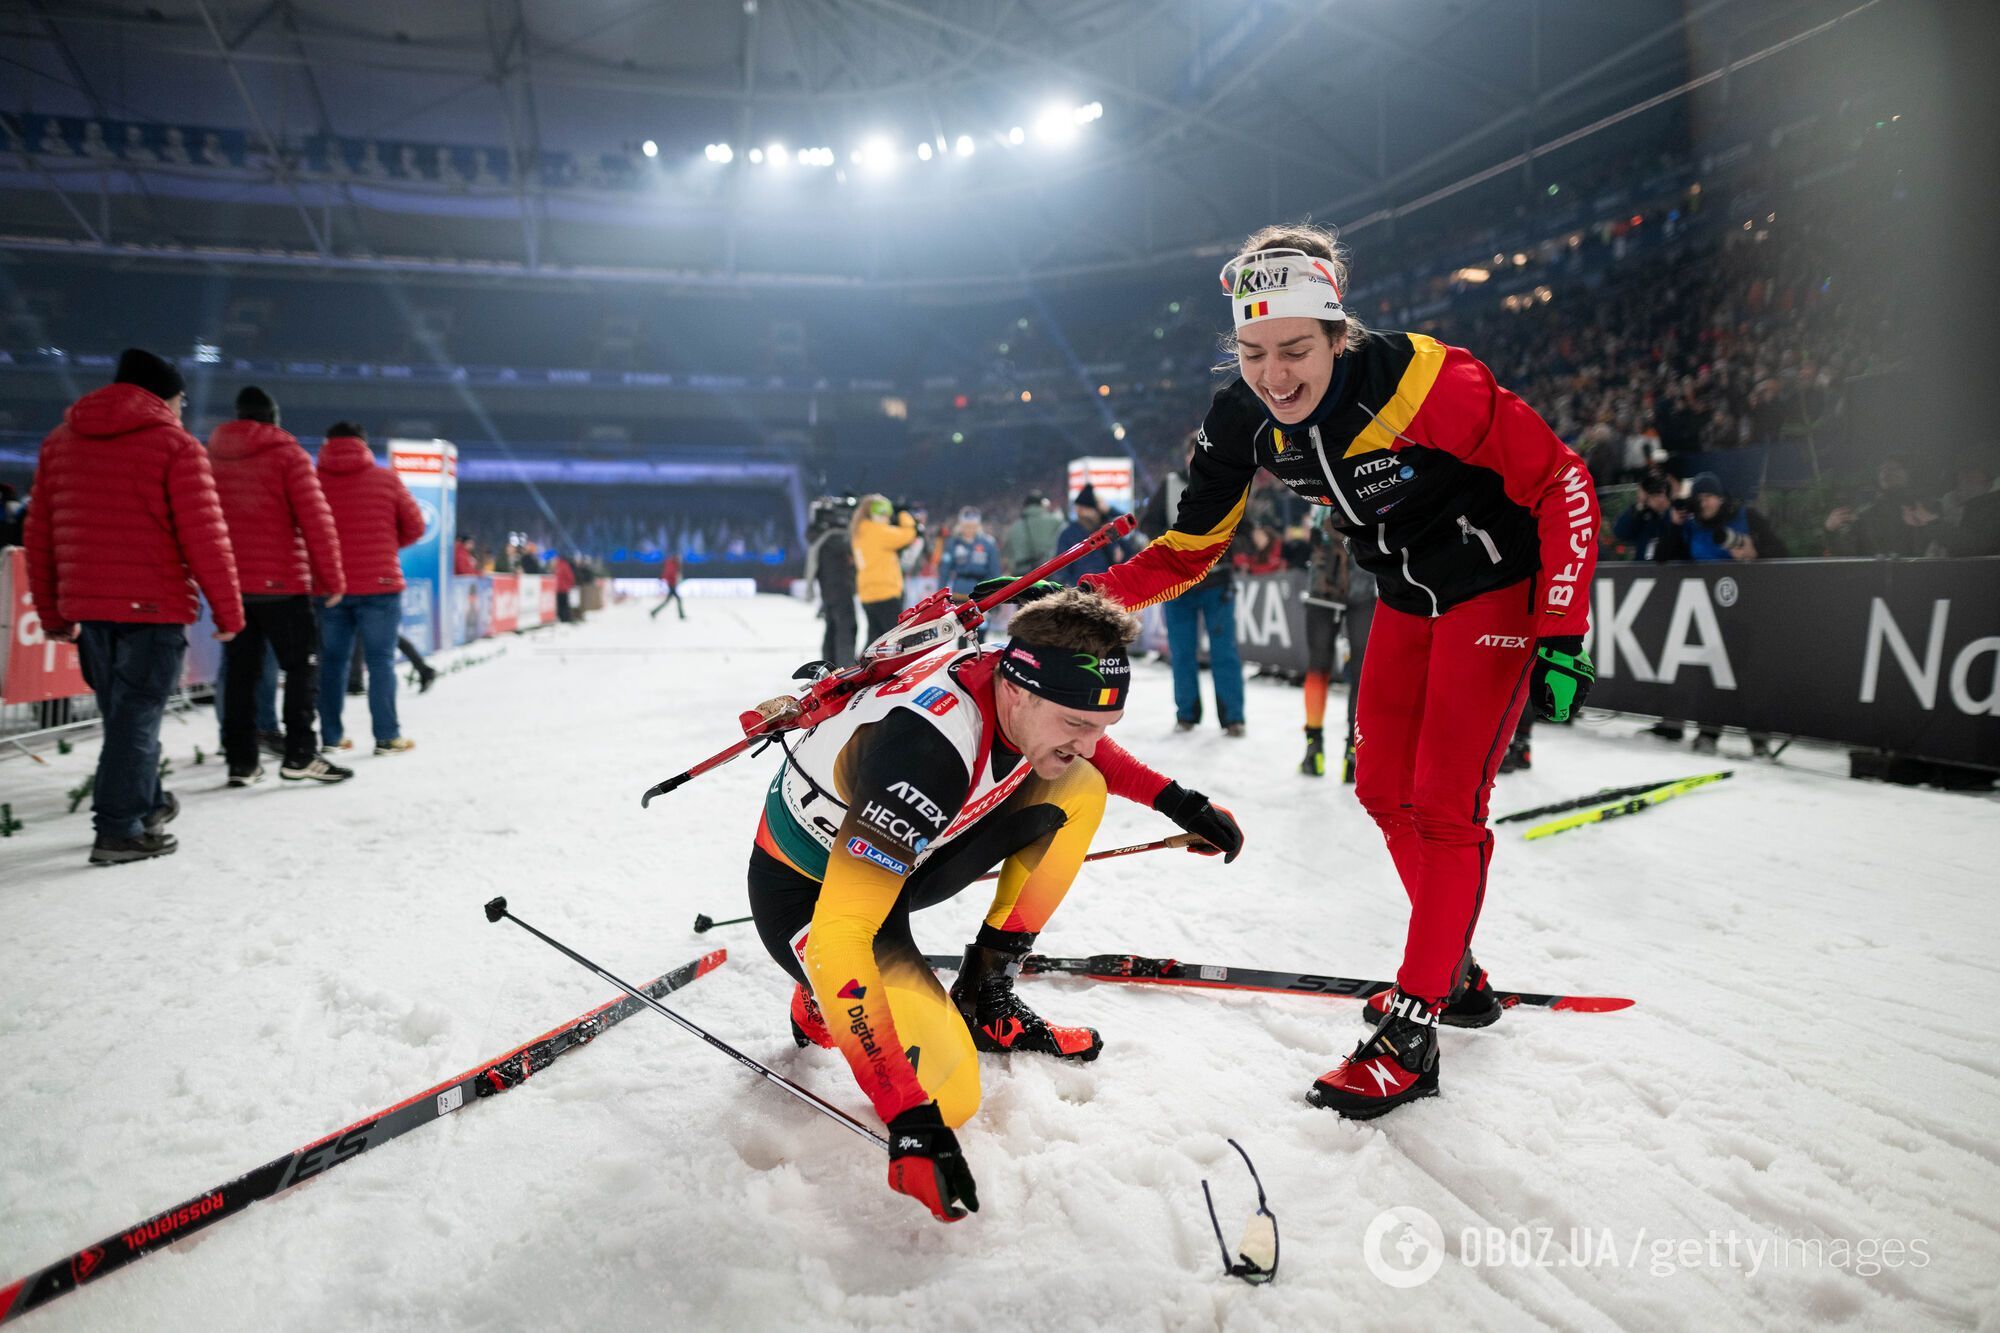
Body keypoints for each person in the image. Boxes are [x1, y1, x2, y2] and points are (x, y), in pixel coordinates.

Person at [1080, 222, 1601, 1119]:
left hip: (1497, 590)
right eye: (1252, 354)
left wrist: (1562, 625)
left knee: (1444, 805)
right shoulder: (1241, 416)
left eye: (1294, 350)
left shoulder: (1419, 380)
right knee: (1380, 791)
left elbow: (1562, 480)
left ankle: (1413, 1027)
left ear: (1336, 332)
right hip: (1406, 598)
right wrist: (1085, 594)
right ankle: (1456, 974)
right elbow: (1190, 549)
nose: (1275, 377)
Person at [744, 586, 1243, 1222]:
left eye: (1100, 726)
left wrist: (1180, 803)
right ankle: (824, 995)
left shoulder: (1013, 685)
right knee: (948, 1097)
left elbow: (1083, 741)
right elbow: (844, 932)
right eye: (1076, 724)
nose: (1089, 742)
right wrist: (908, 1118)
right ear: (1015, 689)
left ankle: (986, 996)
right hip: (815, 896)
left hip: (909, 861)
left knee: (1079, 784)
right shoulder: (924, 753)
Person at [25, 348, 246, 865]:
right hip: (153, 607)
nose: (182, 409)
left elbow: (41, 536)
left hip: (91, 608)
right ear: (164, 396)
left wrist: (52, 612)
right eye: (181, 399)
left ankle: (145, 804)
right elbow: (205, 538)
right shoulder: (175, 445)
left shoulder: (59, 443)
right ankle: (118, 829)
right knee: (137, 722)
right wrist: (229, 613)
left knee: (123, 718)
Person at [207, 385, 351, 786]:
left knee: (240, 674)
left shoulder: (209, 456)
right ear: (274, 419)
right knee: (302, 668)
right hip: (284, 585)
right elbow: (316, 521)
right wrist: (332, 579)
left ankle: (242, 762)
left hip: (234, 587)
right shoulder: (288, 455)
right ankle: (300, 754)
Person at [316, 423, 424, 756]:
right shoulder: (386, 479)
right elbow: (416, 526)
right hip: (380, 584)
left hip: (330, 586)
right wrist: (388, 546)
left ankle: (331, 737)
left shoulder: (313, 480)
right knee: (380, 663)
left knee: (331, 663)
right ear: (363, 444)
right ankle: (387, 737)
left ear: (327, 443)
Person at [1136, 442, 1246, 735]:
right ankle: (1186, 714)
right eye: (1192, 452)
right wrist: (1171, 546)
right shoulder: (1170, 485)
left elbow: (1243, 524)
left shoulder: (1228, 480)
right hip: (1178, 585)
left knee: (1224, 653)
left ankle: (1233, 718)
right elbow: (1148, 525)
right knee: (1182, 652)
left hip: (1217, 582)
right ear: (1186, 456)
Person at [1299, 507, 1374, 780]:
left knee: (1319, 665)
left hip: (1325, 575)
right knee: (1359, 670)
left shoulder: (1318, 473)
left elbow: (1312, 529)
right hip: (1363, 574)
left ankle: (1313, 749)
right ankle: (1353, 754)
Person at [852, 493, 919, 646]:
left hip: (868, 594)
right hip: (884, 592)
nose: (888, 519)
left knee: (875, 641)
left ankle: (863, 669)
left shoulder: (860, 530)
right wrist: (904, 515)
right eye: (885, 515)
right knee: (897, 639)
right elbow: (907, 535)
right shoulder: (876, 531)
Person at [803, 498, 857, 664]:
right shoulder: (835, 539)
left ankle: (830, 665)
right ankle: (845, 669)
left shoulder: (820, 537)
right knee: (846, 627)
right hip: (840, 588)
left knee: (832, 627)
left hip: (829, 590)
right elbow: (853, 548)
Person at [1050, 487, 1132, 587]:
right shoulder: (1068, 534)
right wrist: (1075, 592)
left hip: (1107, 592)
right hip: (1081, 595)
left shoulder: (1106, 531)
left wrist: (1109, 511)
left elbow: (1129, 526)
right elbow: (1061, 572)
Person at [1611, 472, 1691, 562]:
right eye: (1651, 492)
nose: (1655, 496)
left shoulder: (1676, 513)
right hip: (1642, 572)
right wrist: (1639, 506)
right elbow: (1620, 533)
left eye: (1659, 492)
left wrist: (1668, 512)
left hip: (1669, 572)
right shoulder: (1643, 516)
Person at [937, 508, 1002, 599]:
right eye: (966, 526)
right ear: (960, 525)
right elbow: (944, 571)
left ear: (978, 526)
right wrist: (940, 596)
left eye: (973, 526)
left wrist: (996, 596)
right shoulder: (953, 543)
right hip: (958, 594)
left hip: (981, 594)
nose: (969, 529)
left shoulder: (988, 544)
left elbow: (994, 571)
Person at [1000, 491, 1064, 575]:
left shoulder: (1013, 527)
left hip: (1021, 576)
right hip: (1047, 573)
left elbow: (1007, 556)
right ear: (1042, 504)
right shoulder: (1055, 521)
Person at [650, 552, 686, 620]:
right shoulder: (672, 565)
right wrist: (674, 580)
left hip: (671, 584)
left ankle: (654, 612)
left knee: (669, 601)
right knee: (677, 600)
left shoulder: (674, 564)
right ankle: (681, 615)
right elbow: (669, 574)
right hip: (671, 585)